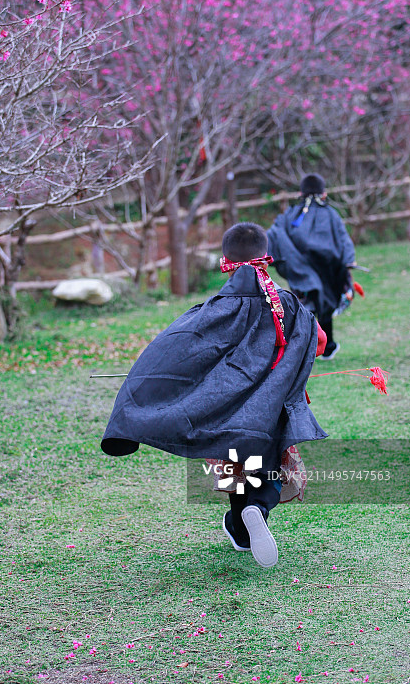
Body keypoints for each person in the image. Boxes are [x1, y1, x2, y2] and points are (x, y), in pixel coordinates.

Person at [101, 222, 328, 568]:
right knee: (272, 471)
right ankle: (257, 511)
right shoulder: (290, 306)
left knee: (239, 469)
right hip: (271, 414)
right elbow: (320, 340)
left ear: (226, 260)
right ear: (266, 258)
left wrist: (152, 377)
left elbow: (181, 347)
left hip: (228, 416)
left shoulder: (212, 309)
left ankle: (240, 525)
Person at [267, 174, 356, 361]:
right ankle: (327, 346)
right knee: (324, 306)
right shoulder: (330, 213)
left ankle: (308, 350)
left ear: (300, 192)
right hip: (326, 269)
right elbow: (342, 238)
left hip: (300, 270)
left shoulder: (290, 215)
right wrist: (348, 260)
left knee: (304, 309)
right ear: (324, 194)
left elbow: (274, 234)